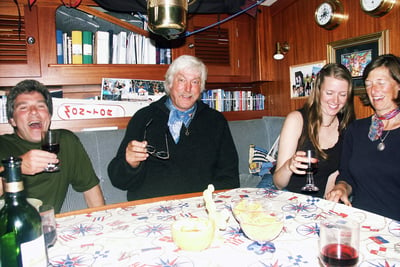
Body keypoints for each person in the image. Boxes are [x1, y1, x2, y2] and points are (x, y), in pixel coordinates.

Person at [108, 55, 239, 201]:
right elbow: (118, 180)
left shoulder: (216, 121)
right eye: (181, 80)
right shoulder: (143, 118)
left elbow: (229, 178)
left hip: (199, 208)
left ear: (201, 87)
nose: (188, 88)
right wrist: (130, 163)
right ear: (170, 84)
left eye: (195, 82)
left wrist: (209, 205)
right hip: (151, 208)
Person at [0, 80, 105, 213]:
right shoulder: (3, 145)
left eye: (41, 106)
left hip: (48, 227)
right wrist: (14, 168)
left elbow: (90, 190)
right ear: (12, 120)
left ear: (49, 116)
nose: (33, 112)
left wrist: (102, 222)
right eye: (23, 107)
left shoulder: (66, 141)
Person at [327, 54, 400, 221]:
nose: (374, 90)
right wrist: (341, 188)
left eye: (381, 83)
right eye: (368, 84)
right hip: (360, 220)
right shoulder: (356, 129)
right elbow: (346, 175)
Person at [273, 63, 355, 198]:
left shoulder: (347, 127)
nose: (335, 100)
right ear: (318, 90)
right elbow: (278, 184)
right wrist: (288, 166)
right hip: (286, 195)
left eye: (342, 94)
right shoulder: (296, 120)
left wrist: (327, 205)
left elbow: (334, 175)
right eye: (329, 93)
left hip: (317, 201)